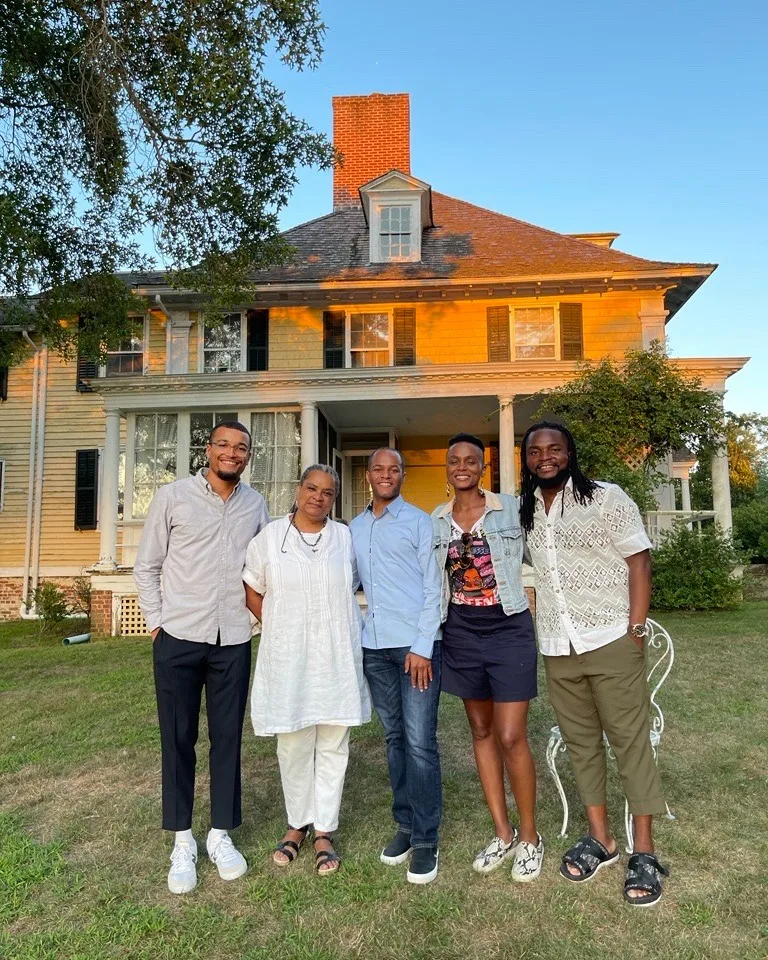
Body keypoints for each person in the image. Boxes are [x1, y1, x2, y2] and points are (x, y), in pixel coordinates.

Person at [520, 421, 669, 907]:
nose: (546, 457)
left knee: (630, 743)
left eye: (555, 449)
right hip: (558, 647)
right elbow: (540, 575)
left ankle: (643, 850)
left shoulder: (606, 498)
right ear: (526, 459)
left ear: (570, 453)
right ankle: (602, 839)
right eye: (536, 451)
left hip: (610, 639)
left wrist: (636, 628)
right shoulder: (528, 512)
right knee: (582, 745)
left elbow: (639, 562)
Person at [134, 421, 269, 894]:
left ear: (248, 456)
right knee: (178, 737)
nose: (232, 453)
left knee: (228, 737)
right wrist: (157, 622)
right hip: (179, 635)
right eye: (224, 445)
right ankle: (182, 839)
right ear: (208, 450)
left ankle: (220, 834)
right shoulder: (172, 497)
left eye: (241, 448)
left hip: (232, 637)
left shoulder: (255, 505)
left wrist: (256, 621)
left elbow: (260, 568)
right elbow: (148, 564)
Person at [243, 464, 370, 875]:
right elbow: (251, 586)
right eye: (312, 488)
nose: (319, 497)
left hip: (335, 657)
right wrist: (278, 627)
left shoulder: (344, 537)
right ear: (298, 491)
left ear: (334, 499)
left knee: (333, 744)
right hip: (289, 659)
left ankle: (325, 831)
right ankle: (297, 824)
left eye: (328, 492)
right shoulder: (269, 539)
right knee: (294, 743)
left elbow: (355, 585)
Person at [432, 433, 543, 882]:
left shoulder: (511, 510)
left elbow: (549, 554)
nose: (462, 466)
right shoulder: (436, 522)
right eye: (454, 460)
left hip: (509, 628)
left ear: (482, 468)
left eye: (471, 460)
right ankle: (503, 832)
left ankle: (531, 838)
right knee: (480, 729)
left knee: (511, 735)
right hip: (460, 630)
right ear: (447, 467)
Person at [349, 448, 442, 885]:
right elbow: (346, 582)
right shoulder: (355, 528)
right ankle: (404, 824)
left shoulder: (420, 523)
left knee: (420, 741)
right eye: (379, 469)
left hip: (415, 648)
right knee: (394, 739)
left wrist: (423, 647)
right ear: (369, 476)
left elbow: (434, 588)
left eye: (394, 469)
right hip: (376, 648)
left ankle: (425, 839)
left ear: (402, 475)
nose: (386, 475)